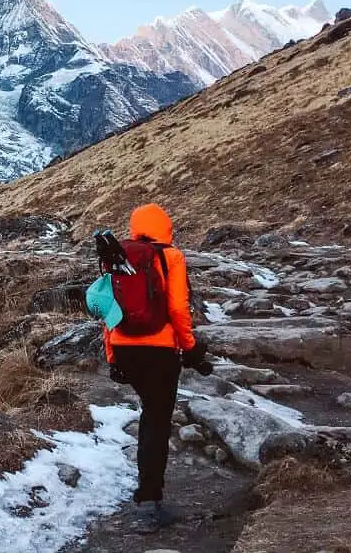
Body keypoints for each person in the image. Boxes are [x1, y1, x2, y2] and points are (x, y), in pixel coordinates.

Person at [103, 203, 208, 533]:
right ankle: (149, 503)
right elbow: (178, 308)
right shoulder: (171, 257)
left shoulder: (118, 255)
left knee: (150, 415)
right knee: (156, 423)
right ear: (165, 226)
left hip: (124, 349)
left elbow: (109, 312)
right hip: (160, 351)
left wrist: (112, 356)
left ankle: (147, 495)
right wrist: (190, 348)